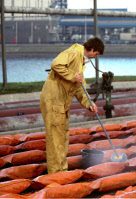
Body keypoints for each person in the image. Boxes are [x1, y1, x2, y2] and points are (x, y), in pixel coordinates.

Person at [40, 37, 105, 173]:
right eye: (96, 54)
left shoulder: (81, 62)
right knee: (55, 139)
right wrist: (73, 76)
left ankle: (62, 171)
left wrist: (89, 103)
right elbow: (56, 64)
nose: (95, 57)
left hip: (61, 102)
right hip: (54, 100)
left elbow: (79, 88)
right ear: (92, 49)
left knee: (62, 137)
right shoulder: (75, 51)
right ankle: (56, 174)